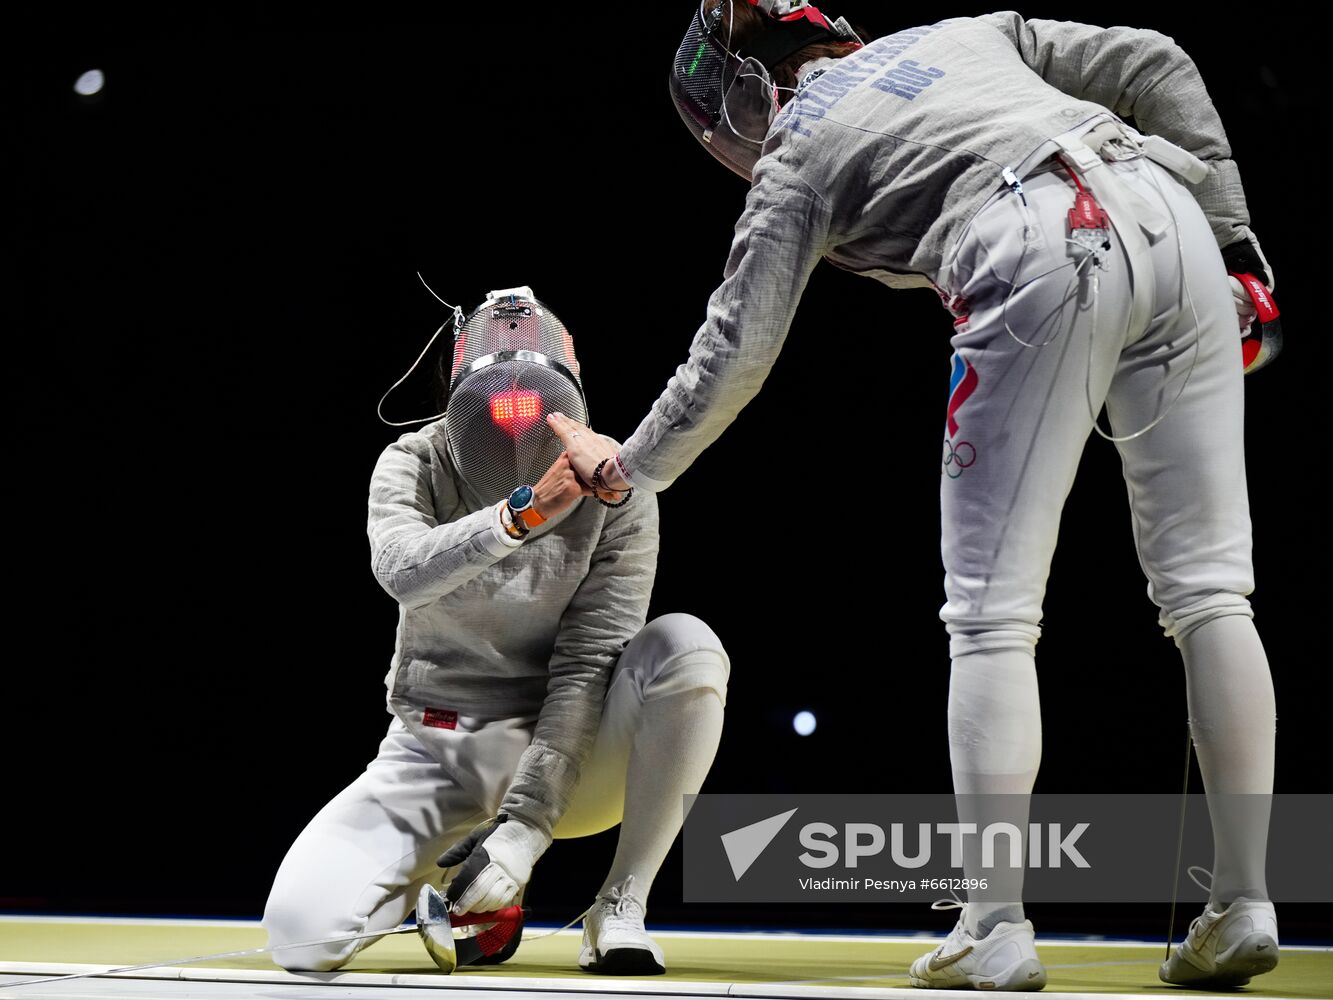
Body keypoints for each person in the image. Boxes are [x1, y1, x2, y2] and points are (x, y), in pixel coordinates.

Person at [547, 3, 1280, 992]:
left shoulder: (795, 148)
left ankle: (994, 926)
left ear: (747, 95)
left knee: (990, 617)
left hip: (1033, 241)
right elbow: (1154, 59)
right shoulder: (962, 32)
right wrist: (1233, 243)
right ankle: (1243, 903)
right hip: (1169, 213)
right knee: (1210, 593)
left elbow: (733, 353)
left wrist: (627, 468)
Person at [262, 287, 730, 977]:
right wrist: (522, 514)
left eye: (536, 399)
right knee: (300, 940)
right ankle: (472, 900)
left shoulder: (617, 488)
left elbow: (587, 663)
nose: (516, 420)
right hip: (437, 749)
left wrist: (526, 827)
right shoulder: (414, 461)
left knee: (686, 646)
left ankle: (619, 906)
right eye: (495, 403)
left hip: (573, 760)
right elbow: (401, 571)